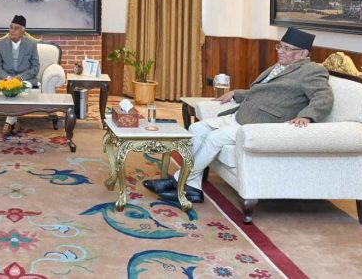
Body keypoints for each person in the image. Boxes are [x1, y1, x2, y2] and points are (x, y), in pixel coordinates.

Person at [143, 27, 334, 204]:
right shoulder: (280, 66)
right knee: (196, 128)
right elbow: (264, 91)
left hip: (260, 125)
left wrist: (308, 116)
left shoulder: (312, 71)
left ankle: (179, 181)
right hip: (242, 115)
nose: (280, 51)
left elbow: (323, 97)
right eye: (279, 46)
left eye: (287, 48)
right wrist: (236, 93)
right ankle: (192, 187)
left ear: (303, 53)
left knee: (214, 138)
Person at [0, 15, 40, 135]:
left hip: (24, 78)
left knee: (21, 87)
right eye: (11, 27)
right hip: (5, 78)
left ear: (23, 31)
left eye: (16, 28)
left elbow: (35, 68)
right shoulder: (0, 44)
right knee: (7, 87)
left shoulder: (31, 44)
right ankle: (14, 123)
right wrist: (8, 78)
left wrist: (20, 77)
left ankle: (9, 122)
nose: (12, 30)